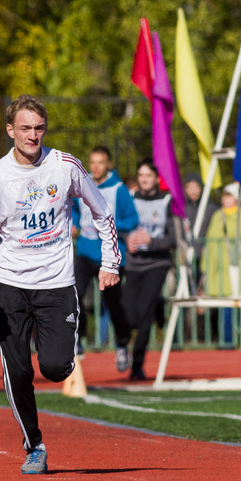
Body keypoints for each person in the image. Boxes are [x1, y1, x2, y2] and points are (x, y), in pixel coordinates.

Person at [0, 94, 120, 474]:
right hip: (11, 285)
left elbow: (101, 211)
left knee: (54, 368)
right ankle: (34, 445)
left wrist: (110, 260)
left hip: (56, 282)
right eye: (25, 128)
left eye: (39, 128)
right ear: (10, 130)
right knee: (17, 371)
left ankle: (64, 351)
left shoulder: (64, 166)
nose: (33, 135)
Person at [72, 146, 137, 370]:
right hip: (85, 252)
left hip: (109, 256)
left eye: (100, 162)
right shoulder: (81, 184)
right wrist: (73, 223)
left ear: (109, 165)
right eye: (92, 162)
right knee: (74, 295)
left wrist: (109, 225)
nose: (96, 167)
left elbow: (132, 219)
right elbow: (73, 208)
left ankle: (121, 344)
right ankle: (76, 342)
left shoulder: (118, 189)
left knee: (114, 304)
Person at [124, 159, 176, 381]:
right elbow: (118, 225)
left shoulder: (167, 201)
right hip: (134, 263)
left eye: (148, 175)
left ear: (157, 178)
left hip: (157, 264)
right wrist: (127, 239)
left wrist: (151, 240)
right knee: (128, 313)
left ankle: (137, 365)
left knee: (144, 313)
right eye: (140, 175)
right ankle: (158, 306)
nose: (144, 179)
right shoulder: (130, 198)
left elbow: (173, 239)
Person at [202, 183, 241, 347]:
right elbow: (210, 243)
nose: (226, 199)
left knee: (231, 305)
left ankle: (230, 340)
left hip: (235, 267)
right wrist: (205, 266)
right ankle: (238, 336)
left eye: (230, 196)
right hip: (216, 269)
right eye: (225, 195)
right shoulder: (217, 215)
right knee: (222, 306)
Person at [183, 172, 218, 281]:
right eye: (190, 187)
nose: (193, 191)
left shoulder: (210, 208)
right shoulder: (181, 207)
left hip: (204, 255)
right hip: (185, 254)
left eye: (196, 187)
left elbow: (215, 230)